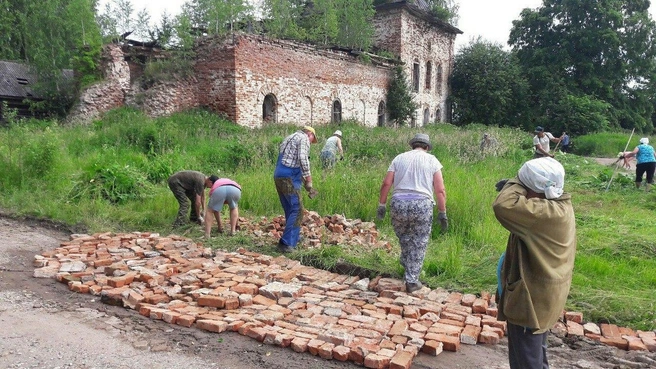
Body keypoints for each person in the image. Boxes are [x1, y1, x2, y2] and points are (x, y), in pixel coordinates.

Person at [493, 157, 576, 369]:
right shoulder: (560, 204)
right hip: (544, 297)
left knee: (526, 361)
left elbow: (502, 205)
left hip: (531, 300)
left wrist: (516, 183)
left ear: (536, 189)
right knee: (536, 352)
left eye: (525, 186)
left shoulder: (543, 214)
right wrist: (524, 185)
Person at [377, 133, 448, 293]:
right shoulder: (432, 160)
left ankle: (407, 263)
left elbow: (387, 183)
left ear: (412, 145)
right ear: (427, 147)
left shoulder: (399, 158)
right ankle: (412, 281)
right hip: (421, 204)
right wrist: (442, 212)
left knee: (404, 236)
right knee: (419, 241)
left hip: (399, 203)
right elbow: (440, 189)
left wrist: (381, 204)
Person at [273, 126, 319, 253]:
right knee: (297, 209)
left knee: (289, 209)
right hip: (289, 177)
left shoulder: (289, 138)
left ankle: (293, 238)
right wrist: (309, 179)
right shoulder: (303, 138)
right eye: (312, 140)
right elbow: (303, 159)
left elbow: (291, 161)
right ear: (310, 133)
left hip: (279, 176)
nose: (310, 142)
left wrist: (304, 182)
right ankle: (286, 244)